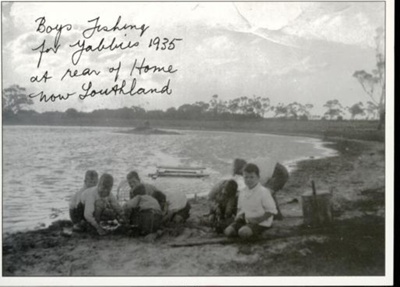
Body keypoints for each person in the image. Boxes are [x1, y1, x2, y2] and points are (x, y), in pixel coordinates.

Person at [224, 163, 277, 239]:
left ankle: (251, 232)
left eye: (252, 177)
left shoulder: (263, 192)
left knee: (243, 232)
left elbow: (272, 211)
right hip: (246, 220)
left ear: (258, 177)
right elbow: (240, 209)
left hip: (261, 222)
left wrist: (257, 220)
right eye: (246, 177)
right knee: (228, 231)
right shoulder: (243, 192)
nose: (248, 180)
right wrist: (238, 217)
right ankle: (245, 229)